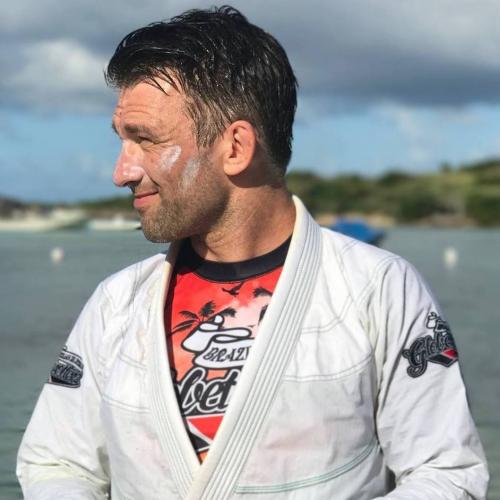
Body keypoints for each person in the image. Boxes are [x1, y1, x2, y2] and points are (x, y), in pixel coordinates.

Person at [17, 6, 488, 500]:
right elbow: (58, 462)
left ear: (236, 147)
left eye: (146, 141)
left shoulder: (378, 289)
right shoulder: (116, 303)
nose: (121, 172)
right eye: (122, 142)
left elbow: (445, 471)